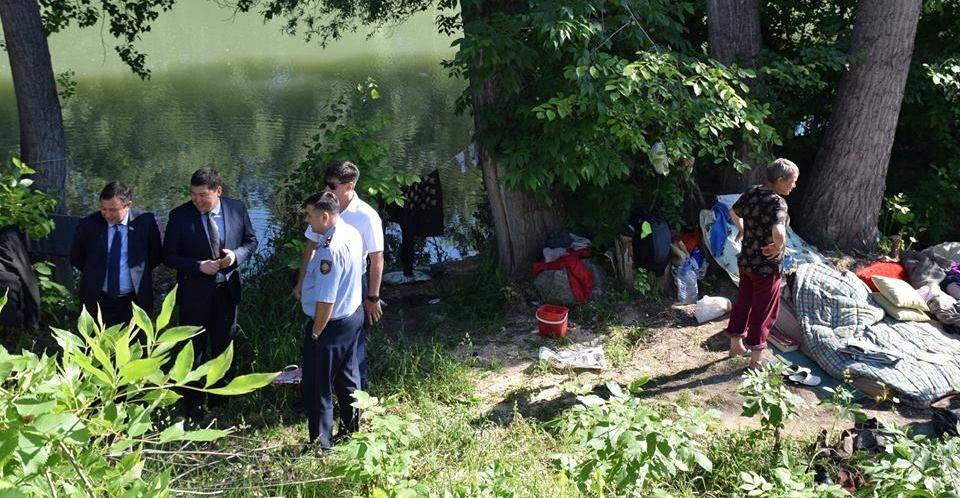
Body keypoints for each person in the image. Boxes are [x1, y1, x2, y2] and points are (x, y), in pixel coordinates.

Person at [163, 168, 258, 420]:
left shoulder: (236, 208)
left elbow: (251, 241)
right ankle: (192, 405)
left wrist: (235, 256)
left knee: (224, 345)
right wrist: (198, 266)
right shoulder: (179, 216)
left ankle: (220, 403)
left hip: (227, 291)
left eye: (203, 195)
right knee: (193, 349)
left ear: (218, 191)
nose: (197, 200)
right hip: (194, 295)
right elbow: (169, 256)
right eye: (193, 194)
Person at [294, 160, 384, 390]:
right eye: (326, 184)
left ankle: (356, 399)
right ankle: (313, 394)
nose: (327, 190)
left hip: (355, 283)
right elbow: (310, 248)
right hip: (324, 281)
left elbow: (376, 259)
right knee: (321, 341)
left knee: (353, 345)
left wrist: (372, 297)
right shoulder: (323, 208)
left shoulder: (366, 216)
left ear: (349, 186)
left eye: (332, 186)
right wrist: (301, 282)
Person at [299, 191, 365, 451]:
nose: (308, 221)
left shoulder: (329, 249)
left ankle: (320, 443)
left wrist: (316, 333)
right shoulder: (351, 232)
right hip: (352, 316)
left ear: (325, 216)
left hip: (330, 324)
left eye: (310, 215)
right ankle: (351, 431)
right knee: (347, 379)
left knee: (318, 385)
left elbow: (326, 301)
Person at [726, 158, 799, 370]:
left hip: (746, 261)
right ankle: (756, 360)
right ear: (779, 179)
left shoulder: (752, 191)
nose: (794, 185)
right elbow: (778, 230)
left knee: (743, 302)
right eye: (792, 181)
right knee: (763, 310)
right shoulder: (778, 202)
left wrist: (744, 228)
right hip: (766, 268)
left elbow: (733, 211)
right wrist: (779, 246)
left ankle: (735, 346)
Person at [70, 182, 162, 327]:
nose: (107, 214)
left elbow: (155, 256)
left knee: (133, 344)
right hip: (98, 298)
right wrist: (95, 272)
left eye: (113, 210)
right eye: (103, 209)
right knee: (96, 344)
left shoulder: (146, 222)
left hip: (133, 300)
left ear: (128, 205)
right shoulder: (89, 224)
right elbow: (77, 257)